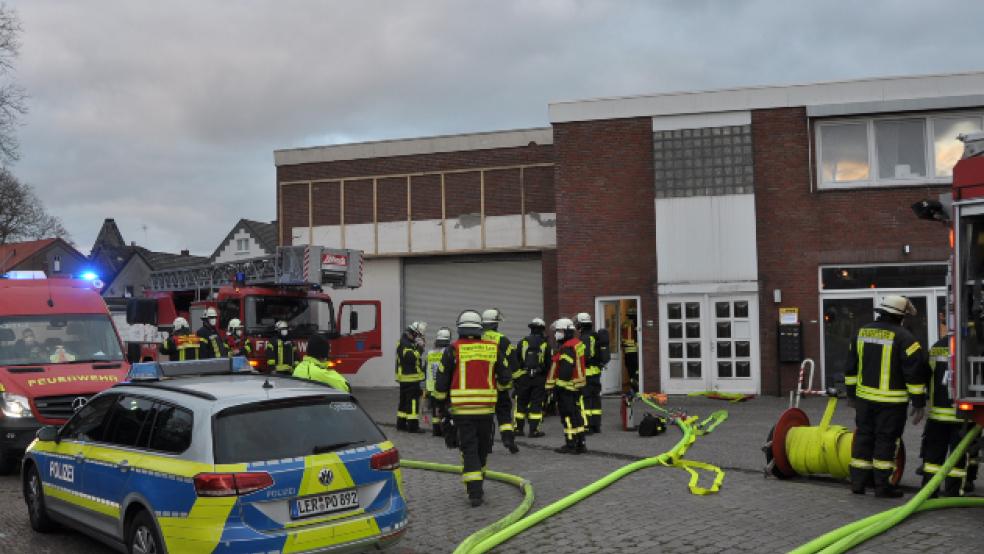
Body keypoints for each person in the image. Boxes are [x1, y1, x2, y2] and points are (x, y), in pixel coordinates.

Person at [845, 295, 929, 498]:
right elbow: (914, 373)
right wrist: (918, 403)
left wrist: (851, 395)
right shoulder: (906, 338)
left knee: (863, 437)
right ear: (900, 316)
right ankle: (882, 486)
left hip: (864, 399)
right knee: (886, 440)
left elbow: (851, 367)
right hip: (891, 403)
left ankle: (858, 483)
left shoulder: (861, 332)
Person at [433, 309, 510, 507]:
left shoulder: (453, 349)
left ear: (460, 329)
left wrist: (440, 405)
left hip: (462, 411)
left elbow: (441, 382)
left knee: (469, 448)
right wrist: (498, 391)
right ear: (479, 329)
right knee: (483, 448)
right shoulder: (492, 349)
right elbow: (506, 378)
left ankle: (475, 491)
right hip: (486, 410)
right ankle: (478, 482)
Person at [919, 335, 977, 496]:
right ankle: (953, 492)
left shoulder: (936, 346)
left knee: (932, 457)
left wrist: (919, 401)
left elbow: (923, 375)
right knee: (958, 457)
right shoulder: (973, 344)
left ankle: (928, 492)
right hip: (963, 416)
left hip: (937, 415)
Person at [546, 318, 587, 454]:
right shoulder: (576, 344)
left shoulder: (567, 348)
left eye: (559, 331)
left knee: (568, 417)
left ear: (567, 332)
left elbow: (565, 370)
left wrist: (558, 387)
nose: (556, 334)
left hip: (566, 388)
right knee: (576, 415)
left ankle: (571, 444)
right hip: (575, 386)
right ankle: (580, 443)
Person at [481, 308, 519, 454]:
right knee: (503, 413)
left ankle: (487, 445)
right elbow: (513, 362)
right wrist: (517, 381)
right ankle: (508, 439)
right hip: (501, 385)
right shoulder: (502, 339)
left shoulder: (478, 339)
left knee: (487, 416)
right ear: (496, 324)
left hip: (484, 385)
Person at [514, 318, 551, 438]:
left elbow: (516, 361)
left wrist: (518, 378)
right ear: (542, 329)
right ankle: (533, 431)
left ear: (531, 328)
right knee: (536, 404)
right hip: (539, 378)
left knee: (521, 403)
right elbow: (548, 364)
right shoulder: (545, 344)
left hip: (524, 377)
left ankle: (518, 429)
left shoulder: (522, 342)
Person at [395, 321, 427, 433]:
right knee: (413, 403)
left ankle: (401, 424)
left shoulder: (406, 341)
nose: (418, 338)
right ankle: (413, 427)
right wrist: (420, 349)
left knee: (404, 402)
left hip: (406, 378)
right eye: (417, 335)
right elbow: (410, 358)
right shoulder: (405, 343)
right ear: (413, 333)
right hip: (410, 379)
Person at [576, 312, 604, 434]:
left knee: (585, 399)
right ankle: (596, 425)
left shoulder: (585, 338)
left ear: (581, 324)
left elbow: (585, 356)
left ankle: (587, 426)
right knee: (595, 399)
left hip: (587, 373)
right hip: (596, 372)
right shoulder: (594, 335)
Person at [425, 327, 452, 437]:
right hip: (444, 385)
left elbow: (426, 368)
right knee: (445, 408)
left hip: (431, 386)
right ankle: (446, 430)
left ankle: (436, 431)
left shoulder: (430, 353)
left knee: (435, 409)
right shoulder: (448, 352)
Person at [622, 309, 639, 394]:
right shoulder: (634, 323)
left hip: (628, 352)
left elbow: (624, 340)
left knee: (631, 371)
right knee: (635, 370)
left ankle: (633, 387)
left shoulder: (625, 323)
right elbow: (630, 339)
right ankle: (635, 388)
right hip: (634, 352)